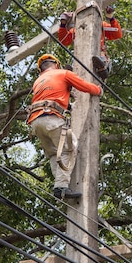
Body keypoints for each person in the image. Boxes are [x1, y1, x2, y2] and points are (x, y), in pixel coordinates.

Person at [26, 54, 103, 199]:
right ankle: (61, 187)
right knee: (70, 147)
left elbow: (52, 95)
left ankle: (59, 186)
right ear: (56, 64)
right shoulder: (63, 73)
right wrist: (98, 90)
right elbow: (84, 86)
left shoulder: (38, 81)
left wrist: (67, 105)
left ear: (41, 69)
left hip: (36, 123)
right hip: (51, 119)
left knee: (55, 153)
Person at [58, 6, 122, 79]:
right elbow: (63, 40)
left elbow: (117, 34)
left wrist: (111, 18)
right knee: (77, 63)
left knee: (99, 59)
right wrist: (63, 24)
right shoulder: (78, 29)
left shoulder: (100, 24)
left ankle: (102, 68)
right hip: (80, 57)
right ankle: (72, 73)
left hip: (99, 54)